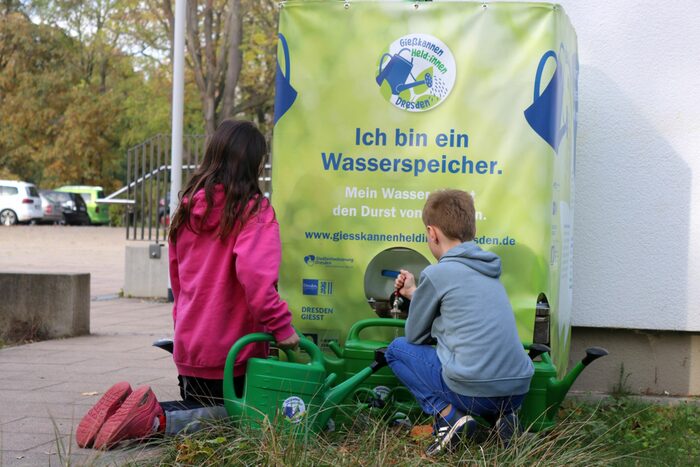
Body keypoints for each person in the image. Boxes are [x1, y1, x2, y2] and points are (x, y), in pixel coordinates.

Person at [75, 120, 300, 449]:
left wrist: (183, 326)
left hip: (191, 340)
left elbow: (177, 279)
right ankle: (152, 418)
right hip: (233, 346)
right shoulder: (255, 211)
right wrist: (283, 328)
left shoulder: (187, 209)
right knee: (232, 422)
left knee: (201, 414)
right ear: (255, 162)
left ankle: (125, 412)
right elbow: (256, 280)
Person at [385, 189, 534, 456]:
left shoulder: (436, 273)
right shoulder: (489, 270)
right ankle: (505, 418)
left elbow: (415, 336)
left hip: (474, 392)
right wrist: (415, 293)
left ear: (432, 233)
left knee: (396, 350)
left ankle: (450, 417)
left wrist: (414, 299)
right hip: (517, 390)